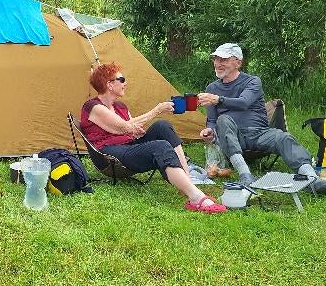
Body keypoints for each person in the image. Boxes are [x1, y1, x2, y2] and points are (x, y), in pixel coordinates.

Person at [81, 62, 226, 213]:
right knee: (160, 146)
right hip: (109, 155)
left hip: (128, 146)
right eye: (122, 79)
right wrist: (157, 110)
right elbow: (123, 126)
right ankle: (196, 198)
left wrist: (136, 131)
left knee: (162, 126)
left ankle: (187, 180)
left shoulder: (120, 107)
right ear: (109, 85)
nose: (126, 83)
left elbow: (129, 129)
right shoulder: (93, 107)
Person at [197, 43, 326, 194]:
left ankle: (312, 179)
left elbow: (244, 102)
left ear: (238, 62)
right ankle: (246, 176)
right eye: (215, 59)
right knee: (223, 119)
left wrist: (219, 100)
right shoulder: (212, 88)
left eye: (223, 59)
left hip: (259, 133)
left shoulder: (252, 81)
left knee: (283, 137)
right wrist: (210, 131)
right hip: (232, 137)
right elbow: (212, 119)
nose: (218, 64)